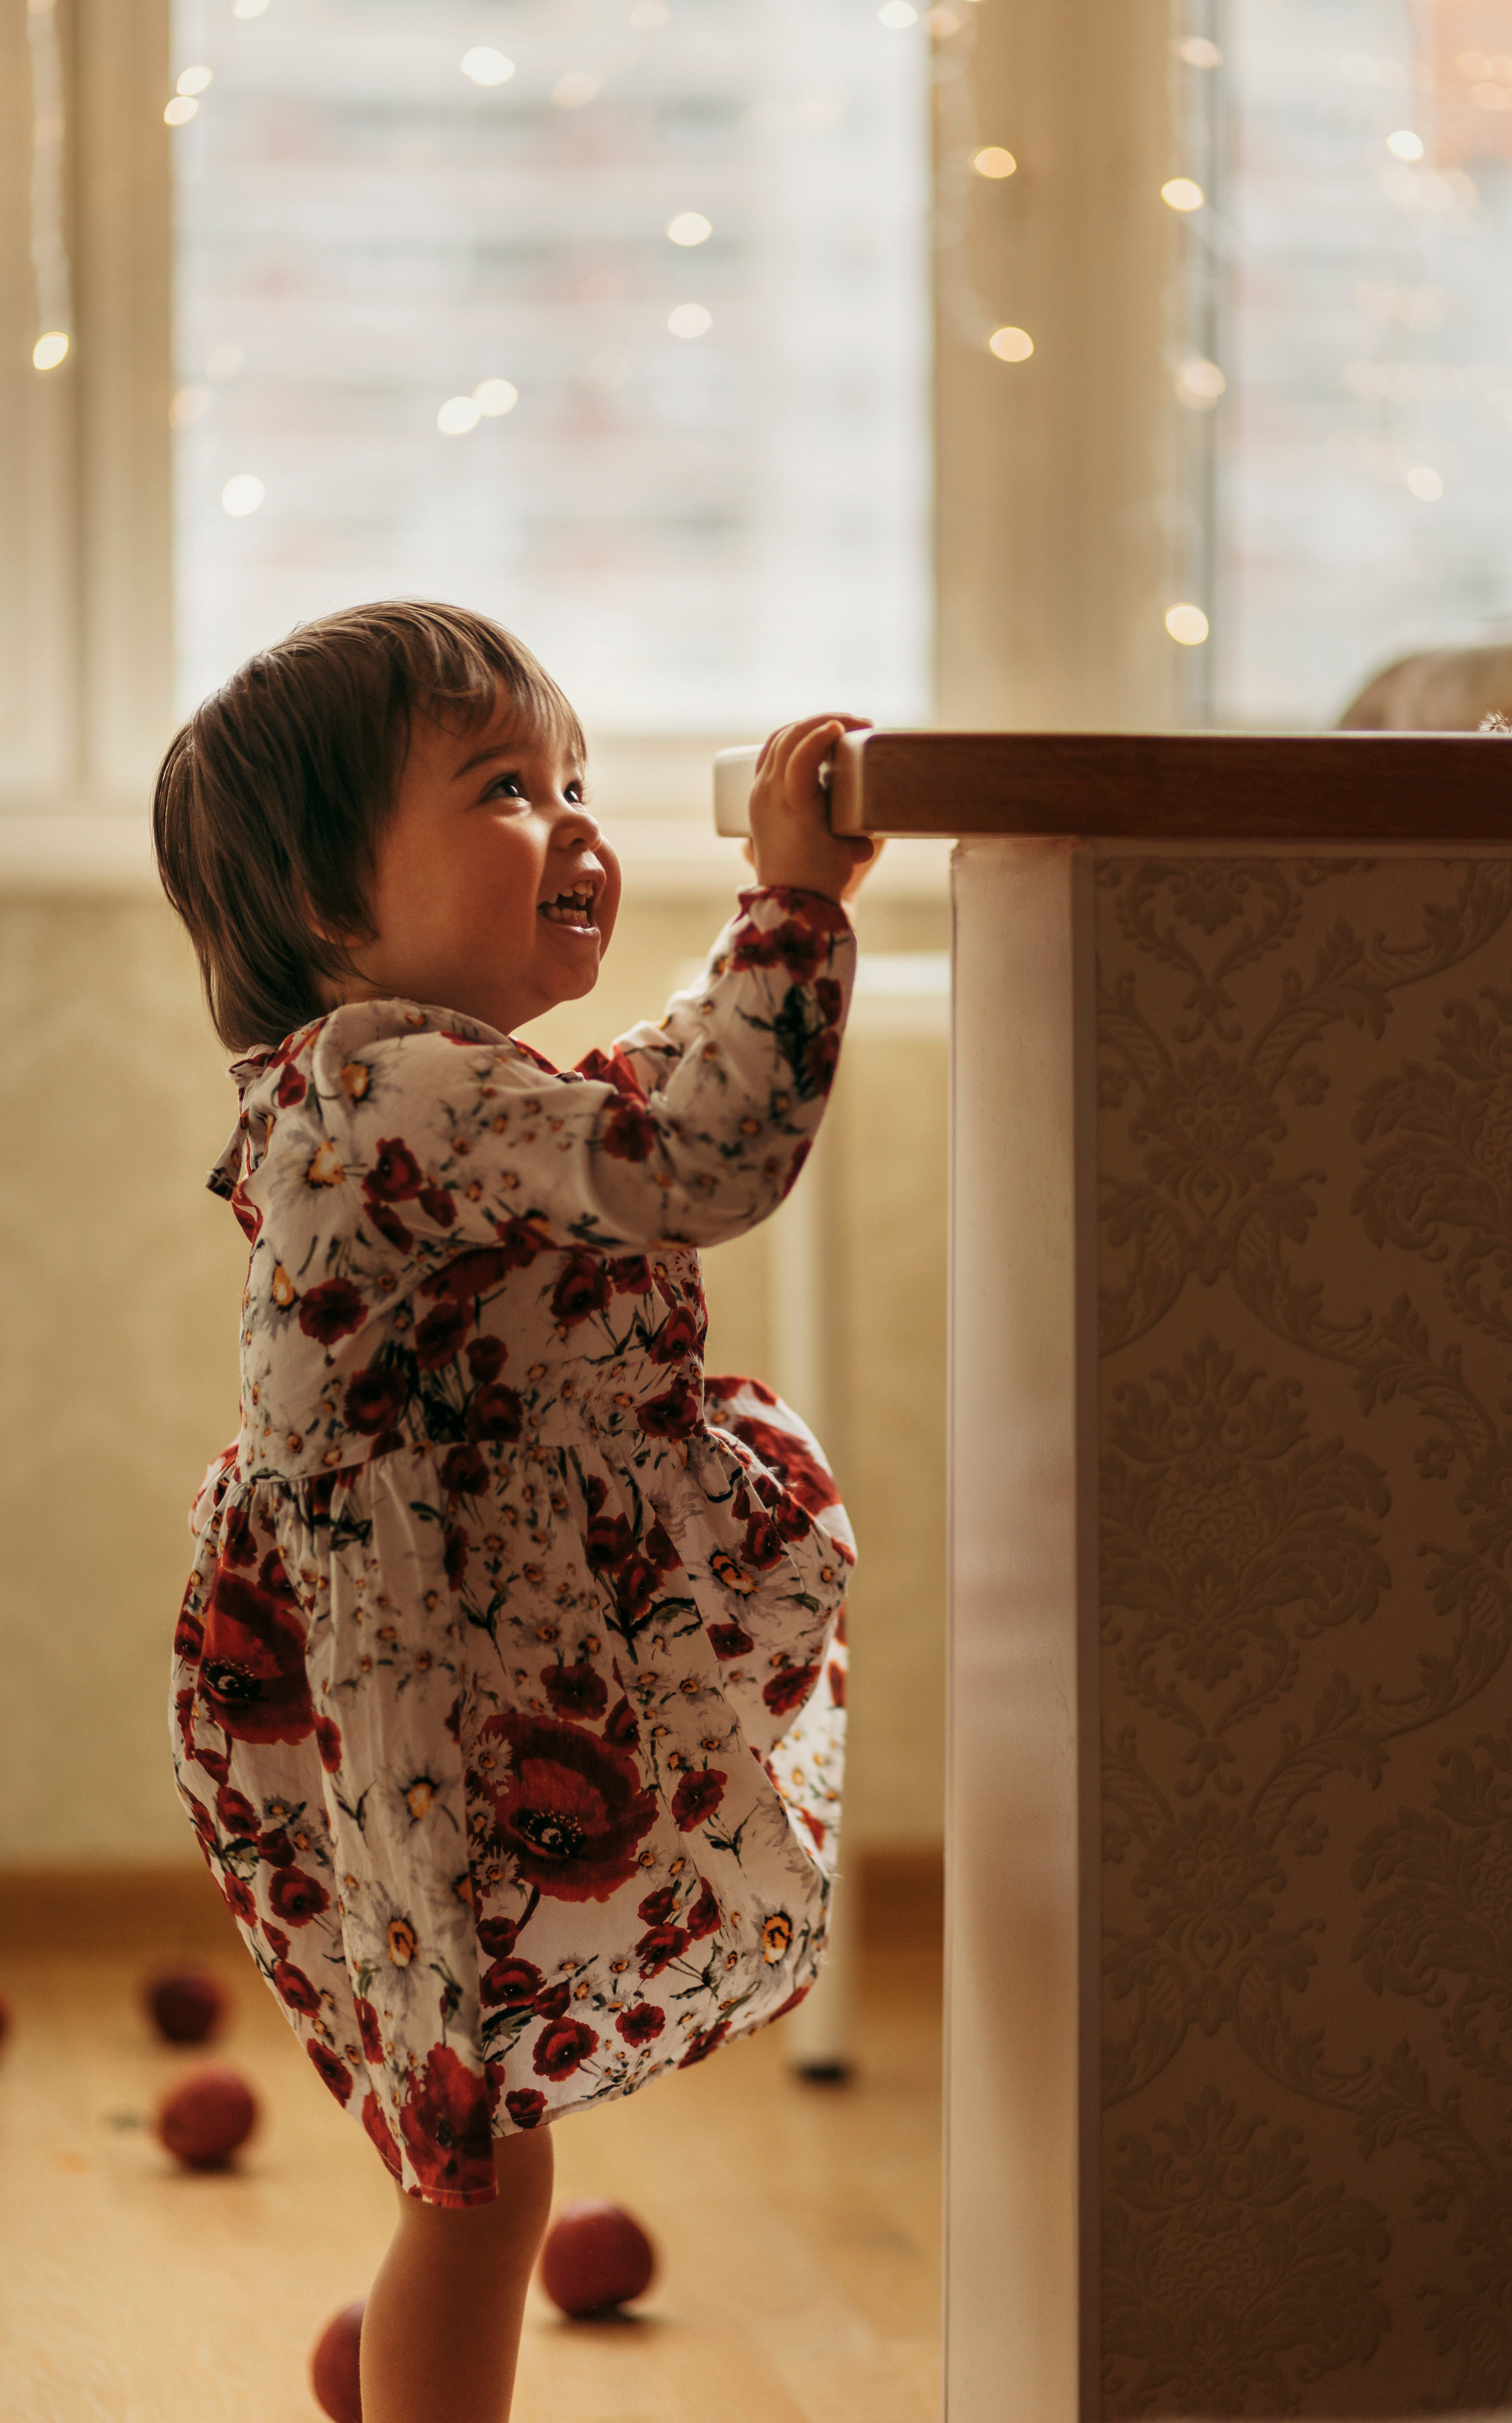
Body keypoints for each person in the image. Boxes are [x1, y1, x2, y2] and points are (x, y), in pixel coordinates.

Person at [151, 599, 875, 2423]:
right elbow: (685, 1152)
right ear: (330, 908)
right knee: (479, 2157)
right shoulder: (377, 1086)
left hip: (439, 1650)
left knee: (472, 2132)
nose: (572, 823)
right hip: (433, 1686)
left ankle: (415, 2363)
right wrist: (795, 911)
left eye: (571, 779)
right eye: (499, 788)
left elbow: (625, 1105)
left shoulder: (420, 1088)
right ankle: (429, 2368)